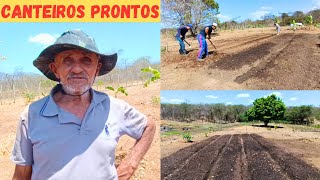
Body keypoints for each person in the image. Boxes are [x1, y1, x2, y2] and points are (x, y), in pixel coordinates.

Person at [11, 30, 156, 180]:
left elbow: (148, 127)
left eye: (86, 60)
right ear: (55, 69)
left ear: (97, 69)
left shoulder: (114, 107)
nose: (77, 69)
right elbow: (21, 176)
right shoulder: (31, 115)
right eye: (68, 60)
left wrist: (129, 166)